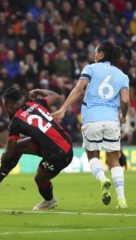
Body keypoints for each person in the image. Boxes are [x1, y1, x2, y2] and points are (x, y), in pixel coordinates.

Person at [53, 41, 129, 209]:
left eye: (96, 52)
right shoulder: (122, 76)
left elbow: (78, 90)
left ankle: (103, 179)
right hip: (111, 120)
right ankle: (122, 200)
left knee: (93, 156)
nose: (95, 55)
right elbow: (125, 100)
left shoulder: (90, 69)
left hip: (91, 119)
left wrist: (63, 109)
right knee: (114, 159)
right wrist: (123, 116)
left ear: (101, 54)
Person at [0, 87, 73, 211]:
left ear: (10, 104)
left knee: (39, 178)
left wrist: (5, 156)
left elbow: (10, 150)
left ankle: (49, 201)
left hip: (58, 155)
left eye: (5, 104)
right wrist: (39, 90)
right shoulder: (35, 104)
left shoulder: (16, 122)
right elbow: (55, 95)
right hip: (66, 144)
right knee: (19, 147)